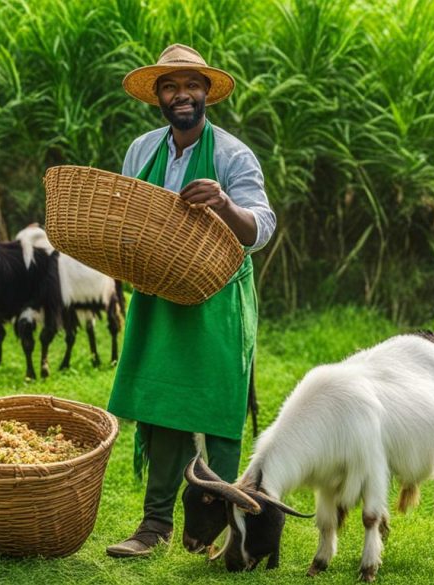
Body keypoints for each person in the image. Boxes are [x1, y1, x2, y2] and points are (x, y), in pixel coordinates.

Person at [105, 44, 276, 557]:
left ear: (207, 93)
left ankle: (222, 524)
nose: (182, 94)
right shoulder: (142, 150)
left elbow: (261, 228)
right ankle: (153, 526)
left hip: (217, 298)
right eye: (171, 86)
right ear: (158, 96)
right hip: (158, 293)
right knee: (161, 405)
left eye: (192, 85)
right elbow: (128, 217)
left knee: (218, 406)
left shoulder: (231, 154)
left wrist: (224, 202)